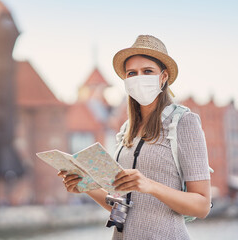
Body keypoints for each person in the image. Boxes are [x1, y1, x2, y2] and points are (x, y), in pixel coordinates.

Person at [58, 35, 211, 239]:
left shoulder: (183, 122)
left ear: (163, 77)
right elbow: (125, 208)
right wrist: (86, 186)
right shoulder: (126, 129)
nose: (139, 77)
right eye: (132, 73)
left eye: (147, 71)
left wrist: (150, 186)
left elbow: (202, 206)